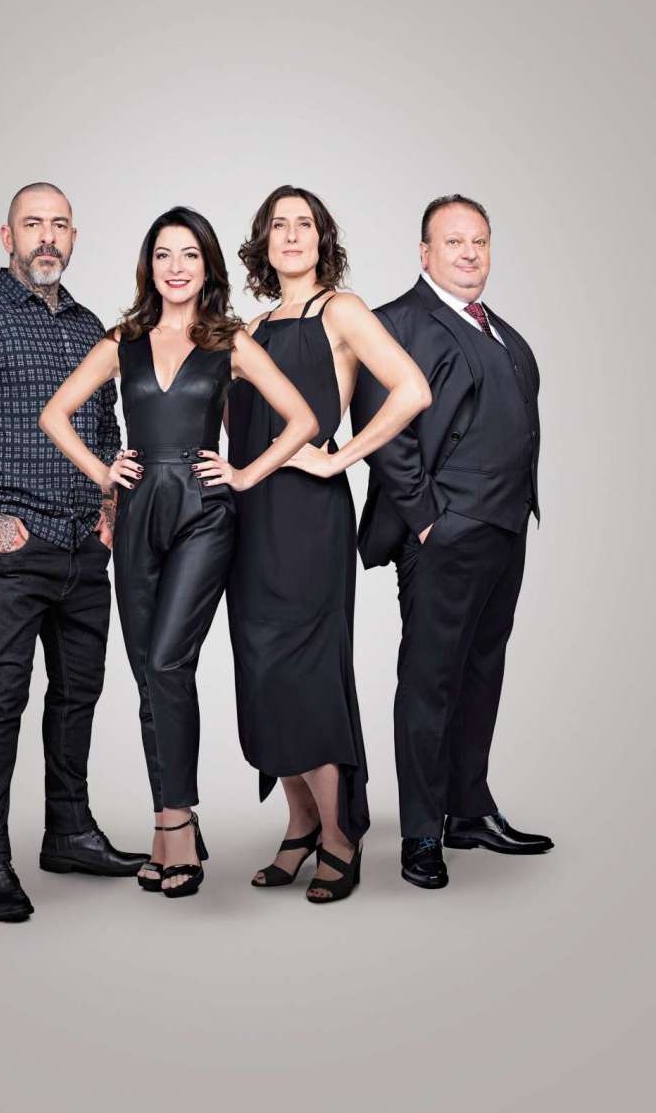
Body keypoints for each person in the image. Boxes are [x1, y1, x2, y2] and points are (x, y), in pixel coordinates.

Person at [39, 206, 317, 898]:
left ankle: (177, 824)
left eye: (189, 254)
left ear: (207, 266)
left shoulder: (228, 341)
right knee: (148, 675)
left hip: (203, 514)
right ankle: (172, 832)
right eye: (163, 254)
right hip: (138, 514)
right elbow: (55, 414)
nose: (175, 267)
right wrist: (103, 471)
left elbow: (303, 418)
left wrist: (245, 474)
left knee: (167, 661)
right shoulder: (123, 339)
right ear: (149, 266)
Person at [0, 182, 148, 923]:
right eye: (32, 224)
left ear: (73, 237)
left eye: (59, 225)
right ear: (6, 236)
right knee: (1, 699)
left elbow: (106, 432)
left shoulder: (90, 328)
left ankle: (69, 834)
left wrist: (108, 513)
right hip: (13, 552)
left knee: (79, 694)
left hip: (84, 547)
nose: (47, 237)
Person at [226, 185, 431, 903]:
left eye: (304, 224)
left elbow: (411, 389)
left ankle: (339, 836)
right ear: (262, 240)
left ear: (322, 240)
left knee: (308, 672)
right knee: (259, 671)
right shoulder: (248, 328)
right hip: (249, 516)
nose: (291, 235)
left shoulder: (339, 310)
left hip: (309, 517)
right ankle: (299, 824)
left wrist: (338, 457)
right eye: (278, 225)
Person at [351, 194, 554, 891]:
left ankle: (468, 809)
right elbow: (383, 431)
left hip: (504, 527)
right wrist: (427, 518)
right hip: (445, 532)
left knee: (482, 671)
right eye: (454, 241)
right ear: (424, 252)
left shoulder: (503, 333)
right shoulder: (395, 323)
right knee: (430, 680)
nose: (469, 253)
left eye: (479, 242)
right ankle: (420, 830)